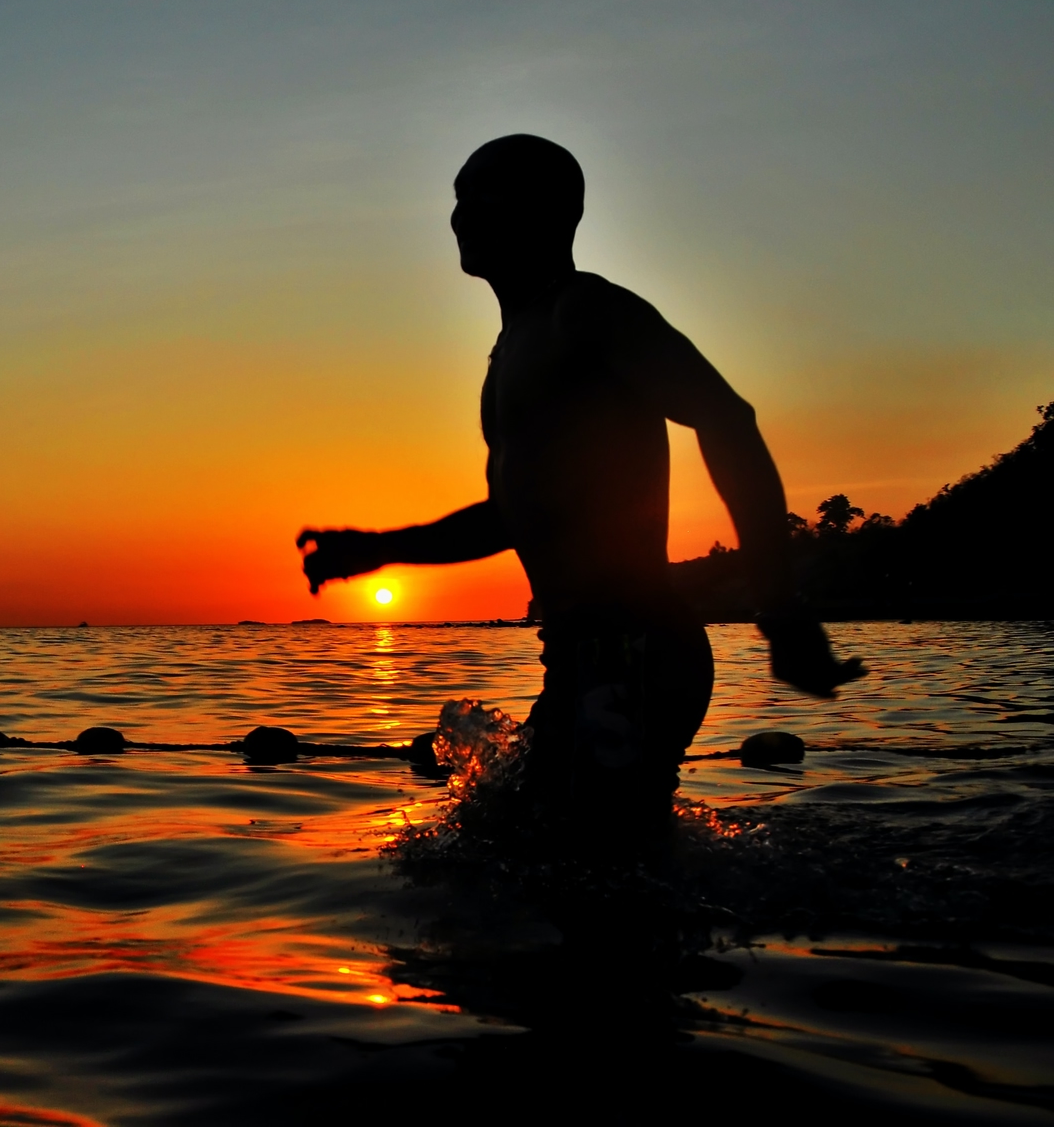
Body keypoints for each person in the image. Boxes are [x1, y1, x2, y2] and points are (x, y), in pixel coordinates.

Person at [296, 134, 865, 836]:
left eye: (484, 193)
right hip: (580, 653)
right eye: (457, 197)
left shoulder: (587, 311)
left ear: (550, 211)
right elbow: (513, 516)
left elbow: (726, 418)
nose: (462, 214)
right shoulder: (512, 348)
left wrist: (779, 609)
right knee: (547, 859)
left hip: (631, 647)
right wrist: (379, 549)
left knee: (591, 884)